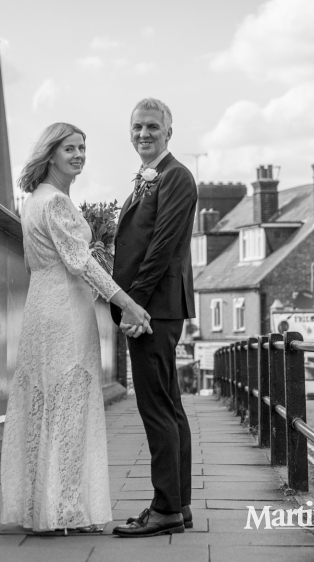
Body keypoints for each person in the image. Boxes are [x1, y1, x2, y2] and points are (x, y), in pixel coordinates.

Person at [0, 123, 152, 533]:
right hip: (66, 310)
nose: (79, 154)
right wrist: (127, 303)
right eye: (70, 148)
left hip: (40, 304)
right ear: (50, 154)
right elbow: (80, 262)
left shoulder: (35, 200)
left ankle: (40, 506)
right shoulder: (56, 203)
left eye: (83, 147)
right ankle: (63, 509)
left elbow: (36, 261)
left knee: (45, 403)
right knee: (69, 407)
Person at [111, 98, 198, 538]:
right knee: (169, 406)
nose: (143, 134)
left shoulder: (176, 176)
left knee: (156, 409)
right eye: (137, 127)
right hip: (154, 307)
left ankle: (165, 509)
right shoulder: (150, 176)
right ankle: (178, 505)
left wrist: (133, 305)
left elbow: (162, 247)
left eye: (152, 127)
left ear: (168, 132)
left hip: (154, 308)